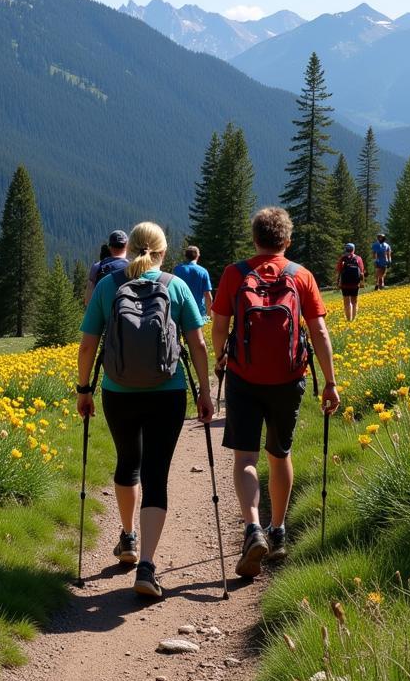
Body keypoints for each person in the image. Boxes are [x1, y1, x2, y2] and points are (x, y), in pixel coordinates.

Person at [77, 222, 214, 599]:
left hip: (118, 391)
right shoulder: (176, 285)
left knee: (127, 463)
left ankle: (128, 536)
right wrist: (204, 391)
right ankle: (148, 566)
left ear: (129, 248)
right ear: (162, 252)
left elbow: (88, 346)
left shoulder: (108, 286)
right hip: (167, 392)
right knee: (156, 474)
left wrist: (84, 389)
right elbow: (198, 344)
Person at [211, 207, 340, 578]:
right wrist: (330, 382)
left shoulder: (235, 274)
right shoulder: (301, 276)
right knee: (279, 453)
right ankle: (278, 531)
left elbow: (220, 324)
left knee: (245, 458)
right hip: (289, 377)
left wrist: (221, 358)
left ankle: (252, 527)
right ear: (287, 240)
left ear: (255, 239)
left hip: (243, 377)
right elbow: (319, 333)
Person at [84, 229, 129, 305]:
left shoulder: (97, 267)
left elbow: (88, 301)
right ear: (127, 246)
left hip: (105, 313)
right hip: (128, 313)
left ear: (109, 247)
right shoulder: (134, 267)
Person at [173, 245, 214, 322]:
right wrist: (209, 315)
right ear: (197, 256)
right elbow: (208, 296)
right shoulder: (203, 271)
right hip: (199, 314)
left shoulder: (177, 270)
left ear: (186, 256)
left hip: (180, 313)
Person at [335, 242, 365, 321]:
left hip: (345, 283)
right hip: (355, 283)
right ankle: (353, 319)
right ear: (353, 249)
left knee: (346, 302)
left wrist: (337, 283)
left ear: (346, 249)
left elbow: (338, 271)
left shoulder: (342, 258)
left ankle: (349, 319)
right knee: (354, 302)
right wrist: (362, 283)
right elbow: (361, 272)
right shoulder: (358, 258)